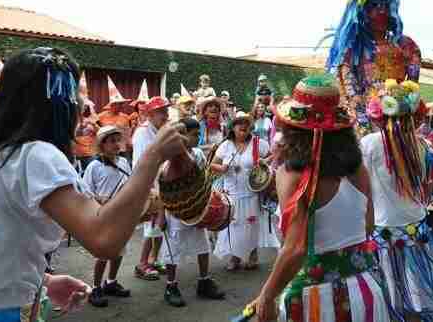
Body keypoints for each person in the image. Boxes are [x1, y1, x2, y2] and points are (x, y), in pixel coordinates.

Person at [0, 47, 187, 321]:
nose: (81, 108)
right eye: (76, 96)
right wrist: (153, 157)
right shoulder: (34, 155)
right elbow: (105, 240)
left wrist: (42, 281)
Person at [249, 75, 391, 322]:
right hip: (364, 291)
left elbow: (295, 249)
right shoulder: (358, 169)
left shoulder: (290, 174)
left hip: (317, 301)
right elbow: (367, 227)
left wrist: (267, 295)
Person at [362, 81, 433, 322]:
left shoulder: (369, 143)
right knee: (416, 299)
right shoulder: (423, 145)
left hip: (385, 231)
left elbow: (362, 190)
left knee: (392, 300)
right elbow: (427, 190)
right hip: (417, 230)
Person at [326, 0, 421, 136]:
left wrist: (401, 107)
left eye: (385, 5)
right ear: (362, 11)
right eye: (374, 6)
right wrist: (365, 124)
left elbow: (412, 88)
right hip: (365, 125)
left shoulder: (406, 46)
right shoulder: (352, 50)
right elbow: (350, 92)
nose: (381, 11)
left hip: (399, 123)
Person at [157, 117, 225, 307]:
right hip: (176, 213)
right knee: (173, 251)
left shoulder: (197, 155)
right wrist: (161, 215)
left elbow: (204, 179)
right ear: (182, 137)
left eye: (199, 134)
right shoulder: (166, 164)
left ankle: (204, 281)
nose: (198, 138)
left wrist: (211, 200)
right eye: (194, 135)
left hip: (198, 211)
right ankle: (171, 286)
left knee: (203, 246)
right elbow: (162, 192)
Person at [210, 112, 279, 270]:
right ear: (232, 127)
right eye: (239, 123)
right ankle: (235, 257)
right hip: (231, 194)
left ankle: (253, 255)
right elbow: (213, 165)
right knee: (234, 226)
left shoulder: (258, 143)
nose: (243, 126)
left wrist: (264, 161)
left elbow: (272, 156)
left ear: (250, 127)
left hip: (252, 193)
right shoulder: (225, 145)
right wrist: (223, 167)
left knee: (251, 224)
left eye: (246, 123)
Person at [83, 126, 133, 307]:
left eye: (117, 140)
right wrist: (100, 199)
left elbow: (130, 185)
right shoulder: (94, 166)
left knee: (119, 250)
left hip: (121, 214)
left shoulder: (124, 162)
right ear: (101, 145)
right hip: (103, 215)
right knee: (103, 252)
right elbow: (85, 192)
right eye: (111, 141)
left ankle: (111, 282)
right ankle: (95, 287)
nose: (116, 144)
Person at [133, 96, 172, 280]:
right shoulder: (142, 133)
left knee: (161, 224)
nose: (165, 115)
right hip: (148, 183)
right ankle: (142, 264)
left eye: (166, 111)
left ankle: (154, 258)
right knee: (152, 225)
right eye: (161, 112)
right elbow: (143, 162)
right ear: (150, 114)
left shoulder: (161, 130)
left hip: (161, 182)